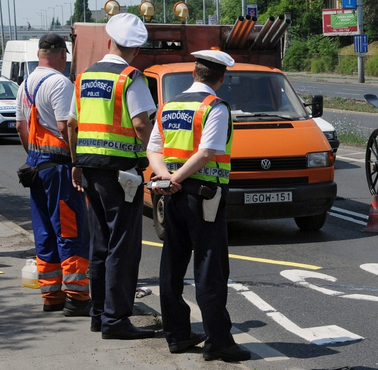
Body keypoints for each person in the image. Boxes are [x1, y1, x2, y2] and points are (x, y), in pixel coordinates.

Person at [146, 48, 252, 362]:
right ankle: (218, 342)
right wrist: (177, 177)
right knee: (210, 268)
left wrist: (166, 176)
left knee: (172, 264)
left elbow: (153, 148)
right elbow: (207, 152)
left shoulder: (169, 106)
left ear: (194, 74)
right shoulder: (214, 107)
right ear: (221, 79)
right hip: (204, 196)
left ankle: (177, 335)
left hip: (171, 194)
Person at [67, 13, 156, 340]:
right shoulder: (131, 78)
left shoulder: (85, 76)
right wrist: (158, 161)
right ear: (137, 49)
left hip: (90, 169)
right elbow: (142, 124)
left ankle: (99, 314)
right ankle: (116, 321)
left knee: (101, 243)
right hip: (122, 174)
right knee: (123, 247)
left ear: (109, 41)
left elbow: (71, 125)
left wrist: (75, 163)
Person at [15, 32, 90, 317]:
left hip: (35, 168)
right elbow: (64, 126)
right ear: (62, 54)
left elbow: (22, 128)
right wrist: (76, 162)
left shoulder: (26, 84)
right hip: (59, 168)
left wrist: (33, 156)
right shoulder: (60, 83)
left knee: (45, 232)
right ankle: (78, 297)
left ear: (39, 54)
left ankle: (52, 296)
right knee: (70, 230)